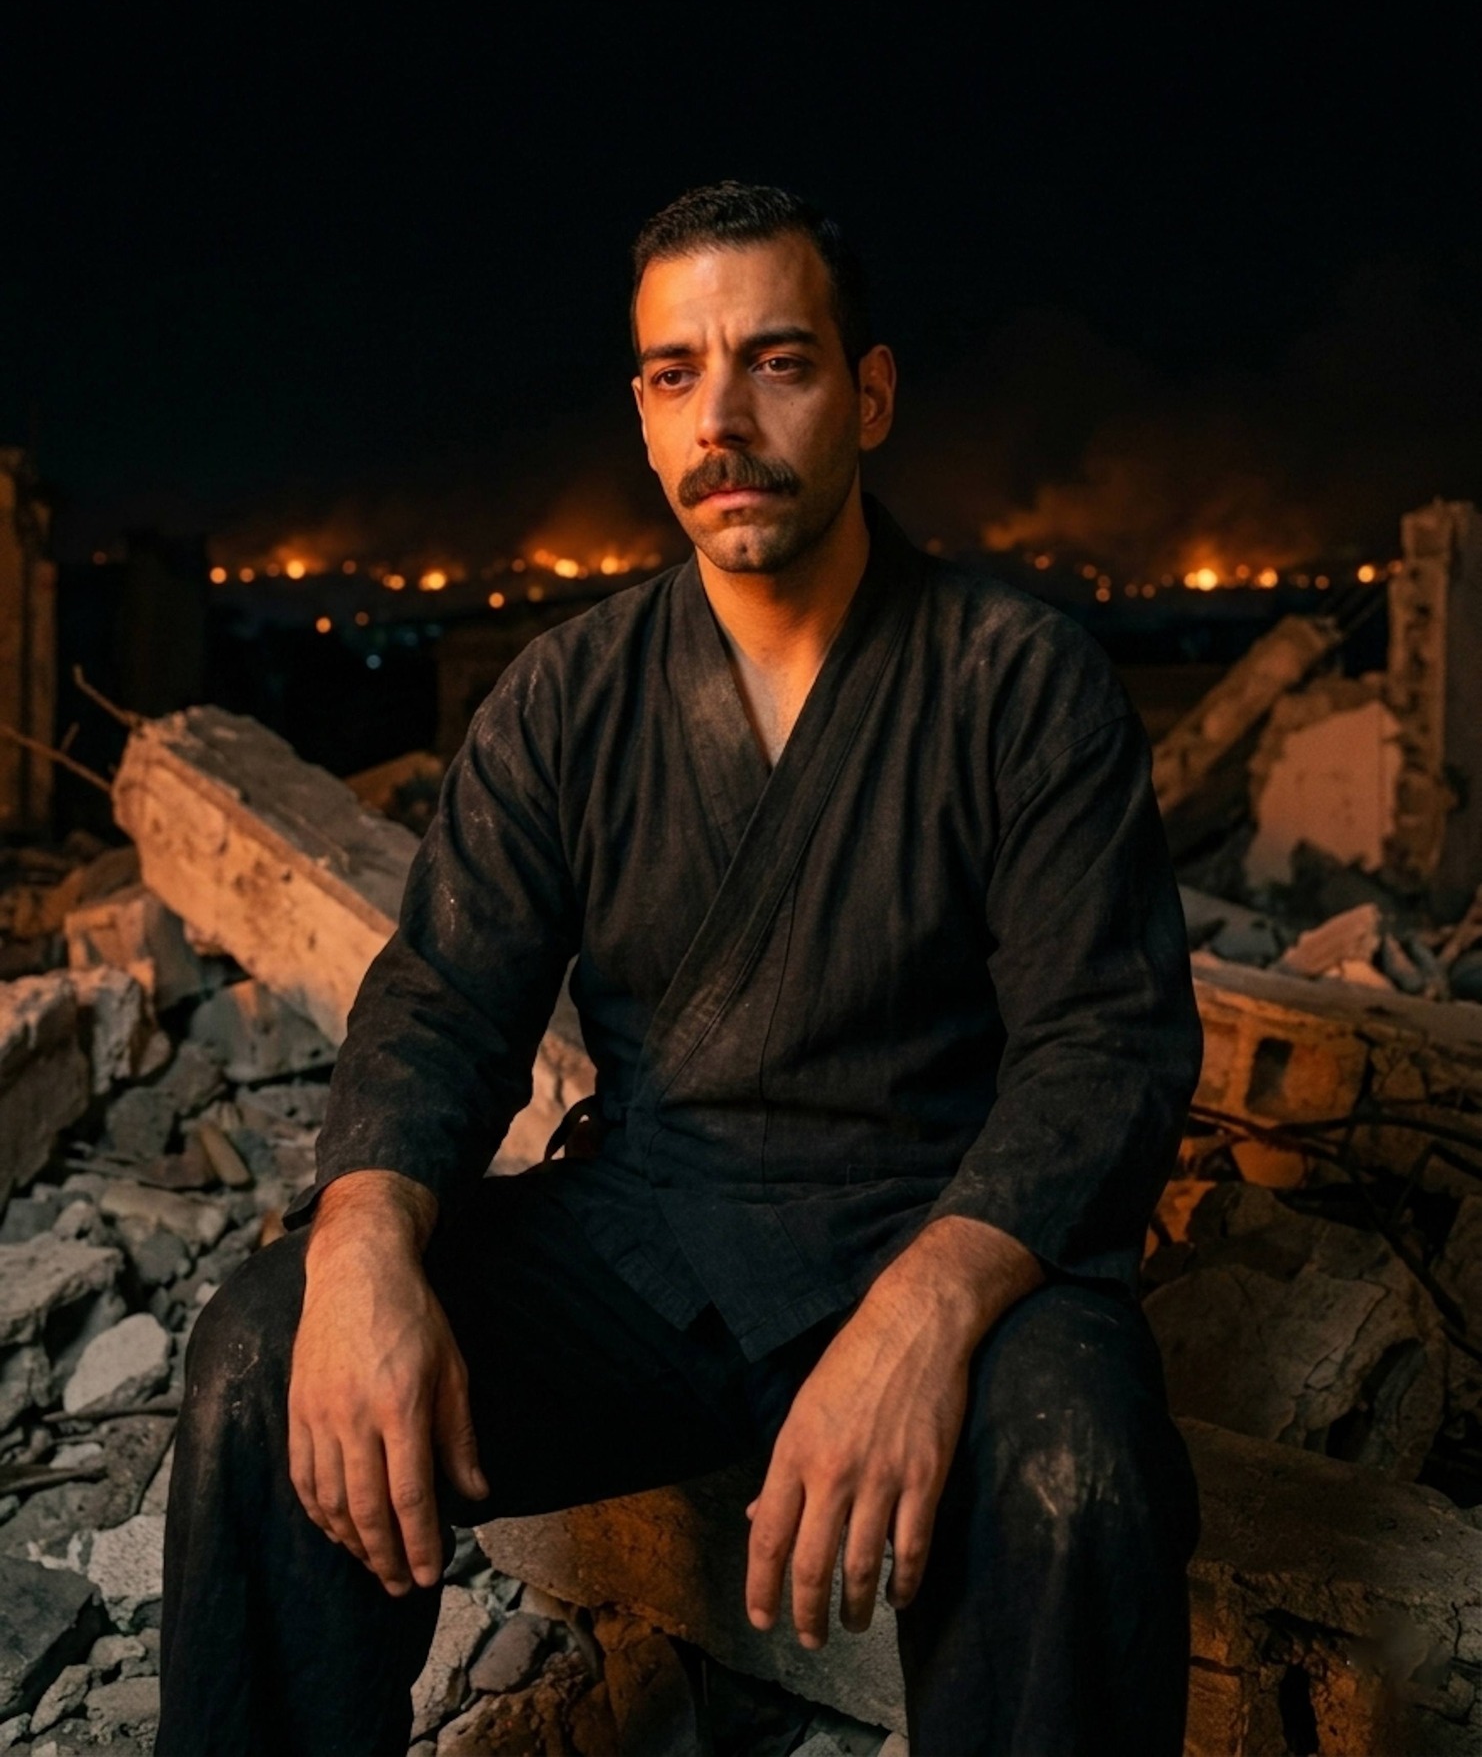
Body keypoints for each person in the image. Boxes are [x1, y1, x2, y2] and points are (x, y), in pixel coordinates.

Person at [155, 182, 1202, 1757]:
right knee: (261, 1352)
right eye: (673, 373)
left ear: (869, 393)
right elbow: (444, 1000)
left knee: (1077, 1463)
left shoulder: (1016, 682)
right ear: (643, 417)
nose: (721, 417)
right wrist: (363, 1242)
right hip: (649, 1244)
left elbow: (1102, 1049)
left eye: (776, 362)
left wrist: (921, 1319)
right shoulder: (567, 698)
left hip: (931, 1221)